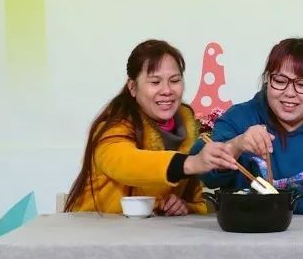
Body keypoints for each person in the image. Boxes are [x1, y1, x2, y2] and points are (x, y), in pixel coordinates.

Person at [191, 37, 303, 214]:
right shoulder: (240, 118)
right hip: (249, 228)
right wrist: (236, 145)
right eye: (280, 81)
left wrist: (281, 201)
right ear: (268, 79)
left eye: (302, 84)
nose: (289, 93)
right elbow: (203, 169)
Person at [64, 39, 237, 215]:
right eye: (155, 82)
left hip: (152, 231)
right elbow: (127, 164)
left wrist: (185, 206)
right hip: (97, 227)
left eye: (174, 80)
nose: (167, 90)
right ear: (133, 87)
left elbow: (197, 203)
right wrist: (191, 163)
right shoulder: (112, 127)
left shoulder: (187, 128)